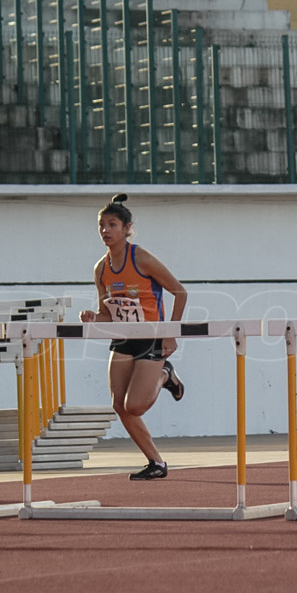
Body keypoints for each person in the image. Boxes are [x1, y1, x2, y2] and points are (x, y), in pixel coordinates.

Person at [79, 193, 187, 480]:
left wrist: (170, 333)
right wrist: (92, 318)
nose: (105, 231)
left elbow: (180, 291)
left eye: (112, 224)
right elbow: (106, 314)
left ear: (127, 228)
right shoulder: (100, 268)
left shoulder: (140, 258)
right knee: (119, 405)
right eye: (101, 225)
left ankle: (166, 374)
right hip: (123, 337)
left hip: (152, 336)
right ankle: (156, 463)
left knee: (135, 405)